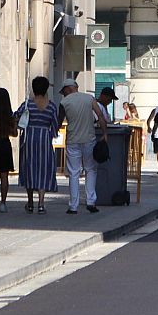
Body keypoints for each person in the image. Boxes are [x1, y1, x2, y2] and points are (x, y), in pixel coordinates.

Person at [58, 78, 108, 214]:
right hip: (89, 140)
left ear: (68, 89)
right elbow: (100, 116)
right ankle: (91, 202)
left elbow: (58, 121)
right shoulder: (89, 99)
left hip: (72, 140)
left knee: (74, 173)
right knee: (91, 170)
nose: (64, 95)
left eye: (64, 92)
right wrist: (105, 134)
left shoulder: (64, 102)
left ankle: (73, 206)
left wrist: (53, 133)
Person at [16, 76, 61, 213]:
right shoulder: (52, 106)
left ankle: (30, 203)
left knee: (29, 168)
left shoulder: (27, 104)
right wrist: (52, 134)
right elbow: (54, 126)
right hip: (44, 140)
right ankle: (41, 204)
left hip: (28, 139)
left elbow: (17, 117)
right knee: (43, 170)